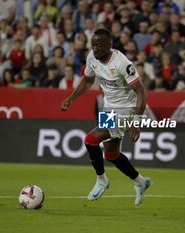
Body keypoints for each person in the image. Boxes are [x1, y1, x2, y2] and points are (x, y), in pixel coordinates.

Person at [60, 28, 152, 206]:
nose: (95, 48)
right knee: (111, 154)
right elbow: (88, 80)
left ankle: (101, 180)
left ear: (109, 45)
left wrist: (136, 121)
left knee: (90, 140)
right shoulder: (91, 58)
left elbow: (141, 91)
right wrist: (71, 98)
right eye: (93, 44)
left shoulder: (122, 63)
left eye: (100, 45)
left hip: (127, 109)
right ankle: (141, 182)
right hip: (110, 108)